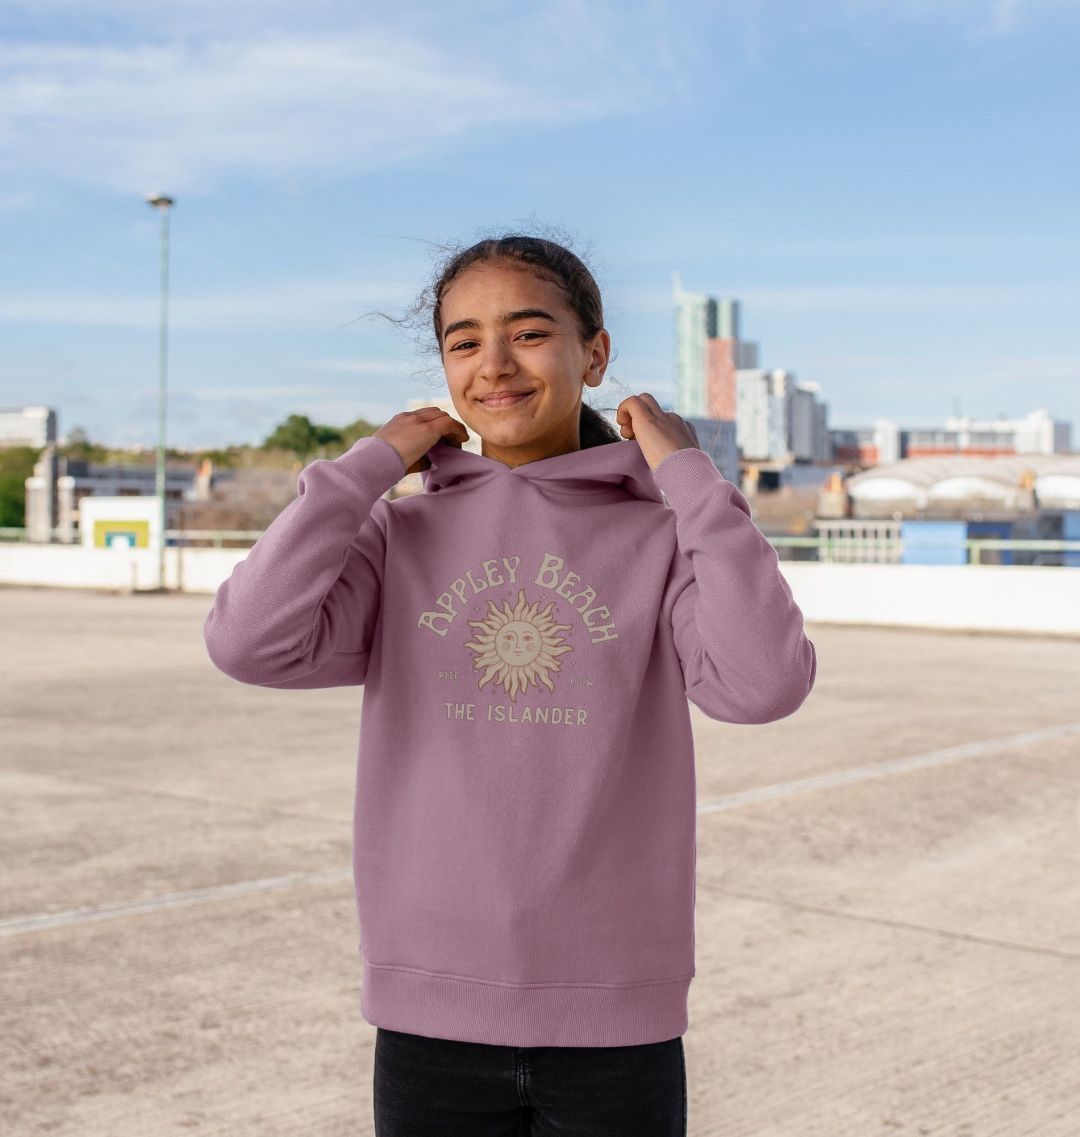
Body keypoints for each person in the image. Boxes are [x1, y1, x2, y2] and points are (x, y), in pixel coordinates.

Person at [203, 232, 818, 1136]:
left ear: (594, 353)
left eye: (529, 332)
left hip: (618, 1016)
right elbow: (247, 641)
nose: (493, 363)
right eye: (463, 340)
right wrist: (370, 465)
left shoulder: (660, 535)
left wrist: (687, 476)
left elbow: (762, 684)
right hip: (428, 1016)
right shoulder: (397, 537)